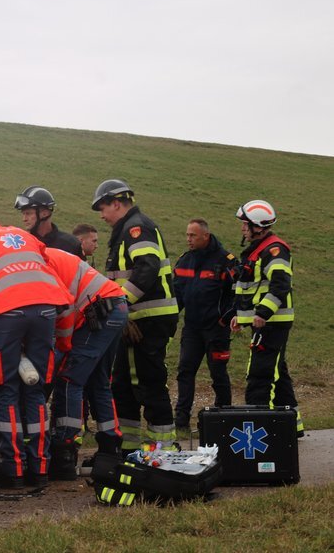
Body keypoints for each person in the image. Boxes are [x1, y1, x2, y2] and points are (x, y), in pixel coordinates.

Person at [0, 221, 73, 489]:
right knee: (36, 388)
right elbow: (48, 269)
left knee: (7, 389)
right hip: (46, 308)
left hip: (9, 311)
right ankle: (40, 469)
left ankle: (13, 470)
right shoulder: (24, 235)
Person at [91, 179, 179, 451]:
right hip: (132, 319)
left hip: (149, 319)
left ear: (117, 203)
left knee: (149, 382)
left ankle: (163, 449)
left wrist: (120, 303)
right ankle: (128, 448)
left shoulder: (136, 228)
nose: (102, 216)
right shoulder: (126, 230)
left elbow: (147, 268)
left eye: (103, 208)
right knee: (123, 385)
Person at [46, 248, 128, 479]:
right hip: (114, 305)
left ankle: (64, 450)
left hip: (99, 312)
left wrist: (61, 350)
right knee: (98, 382)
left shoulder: (39, 265)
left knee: (70, 378)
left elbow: (64, 316)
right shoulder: (46, 256)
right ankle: (110, 449)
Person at [229, 200, 303, 436]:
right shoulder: (261, 249)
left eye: (245, 224)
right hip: (267, 321)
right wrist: (240, 317)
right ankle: (292, 426)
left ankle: (261, 429)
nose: (242, 228)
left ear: (258, 226)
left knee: (260, 375)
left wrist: (262, 313)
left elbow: (281, 285)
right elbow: (251, 288)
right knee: (277, 373)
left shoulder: (274, 249)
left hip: (272, 322)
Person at [172, 218, 236, 431]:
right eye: (187, 235)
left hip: (216, 329)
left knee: (218, 373)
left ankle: (224, 417)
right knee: (185, 371)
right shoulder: (184, 261)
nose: (188, 239)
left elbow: (237, 294)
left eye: (193, 235)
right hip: (192, 328)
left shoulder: (226, 261)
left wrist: (224, 319)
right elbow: (177, 295)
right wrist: (170, 320)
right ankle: (181, 422)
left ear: (205, 236)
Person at [14, 185, 84, 259]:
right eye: (23, 214)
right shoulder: (23, 243)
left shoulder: (70, 244)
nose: (24, 219)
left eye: (28, 213)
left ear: (44, 213)